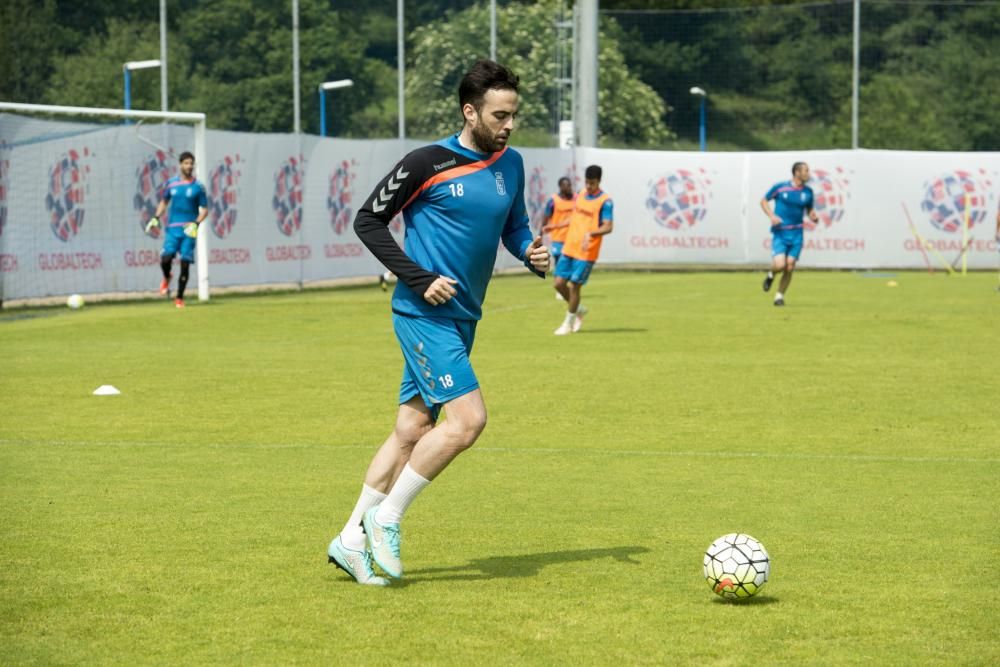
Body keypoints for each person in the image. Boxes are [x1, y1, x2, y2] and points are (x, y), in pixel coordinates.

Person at [327, 60, 550, 586]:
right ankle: (387, 520)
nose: (509, 124)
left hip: (464, 316)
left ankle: (350, 539)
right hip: (422, 312)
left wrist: (530, 252)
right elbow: (368, 220)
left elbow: (513, 226)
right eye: (499, 115)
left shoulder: (510, 163)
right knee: (468, 422)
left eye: (513, 114)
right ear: (470, 111)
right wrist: (418, 276)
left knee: (411, 430)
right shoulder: (425, 162)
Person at [552, 165, 613, 335]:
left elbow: (608, 227)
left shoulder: (605, 202)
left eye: (592, 183)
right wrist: (556, 225)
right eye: (587, 182)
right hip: (570, 246)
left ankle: (568, 323)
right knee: (558, 284)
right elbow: (574, 218)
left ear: (599, 181)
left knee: (575, 286)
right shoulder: (580, 195)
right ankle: (578, 309)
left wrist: (591, 233)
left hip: (587, 252)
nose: (589, 186)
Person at [146, 151, 208, 308]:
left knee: (185, 263)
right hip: (173, 229)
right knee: (166, 259)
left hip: (189, 230)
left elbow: (205, 210)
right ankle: (167, 277)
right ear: (180, 164)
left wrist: (196, 223)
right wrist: (156, 217)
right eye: (186, 163)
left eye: (191, 163)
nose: (189, 166)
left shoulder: (198, 186)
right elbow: (164, 202)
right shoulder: (171, 183)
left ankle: (179, 298)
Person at [760, 161, 818, 306]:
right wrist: (772, 216)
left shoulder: (808, 192)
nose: (808, 173)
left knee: (790, 265)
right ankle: (771, 274)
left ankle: (779, 296)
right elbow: (763, 201)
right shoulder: (780, 188)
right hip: (780, 232)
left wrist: (813, 216)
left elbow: (810, 209)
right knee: (780, 265)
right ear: (797, 173)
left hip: (797, 233)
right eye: (806, 170)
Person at [541, 176, 575, 299]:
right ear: (561, 186)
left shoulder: (575, 199)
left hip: (572, 238)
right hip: (558, 238)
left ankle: (565, 286)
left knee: (570, 263)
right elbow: (545, 217)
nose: (570, 187)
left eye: (570, 185)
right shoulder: (553, 201)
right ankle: (559, 288)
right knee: (559, 261)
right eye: (567, 185)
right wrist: (541, 234)